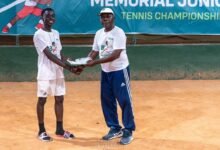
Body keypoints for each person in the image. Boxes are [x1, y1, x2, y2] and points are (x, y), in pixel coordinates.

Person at [85, 8, 136, 145]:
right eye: (103, 17)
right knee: (107, 100)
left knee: (124, 100)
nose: (105, 19)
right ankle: (114, 128)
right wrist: (84, 62)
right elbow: (94, 51)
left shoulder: (119, 33)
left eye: (108, 16)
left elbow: (115, 55)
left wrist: (94, 62)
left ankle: (128, 130)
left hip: (119, 70)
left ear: (113, 18)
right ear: (100, 19)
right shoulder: (98, 33)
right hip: (105, 71)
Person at [33, 7, 79, 142]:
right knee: (42, 100)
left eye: (53, 15)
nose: (51, 18)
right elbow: (49, 55)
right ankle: (41, 131)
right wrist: (68, 67)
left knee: (59, 99)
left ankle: (59, 129)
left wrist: (72, 64)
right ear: (42, 18)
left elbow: (59, 54)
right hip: (45, 72)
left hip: (58, 72)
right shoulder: (38, 34)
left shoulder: (56, 33)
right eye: (47, 16)